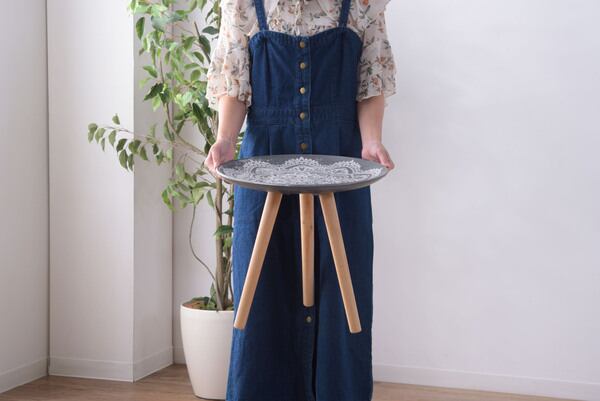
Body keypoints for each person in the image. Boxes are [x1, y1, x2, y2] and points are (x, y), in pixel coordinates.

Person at [204, 0, 396, 400]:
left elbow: (371, 80)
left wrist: (371, 140)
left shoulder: (362, 5)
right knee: (263, 296)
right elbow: (234, 84)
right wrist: (224, 139)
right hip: (263, 167)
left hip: (341, 165)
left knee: (342, 297)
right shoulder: (243, 4)